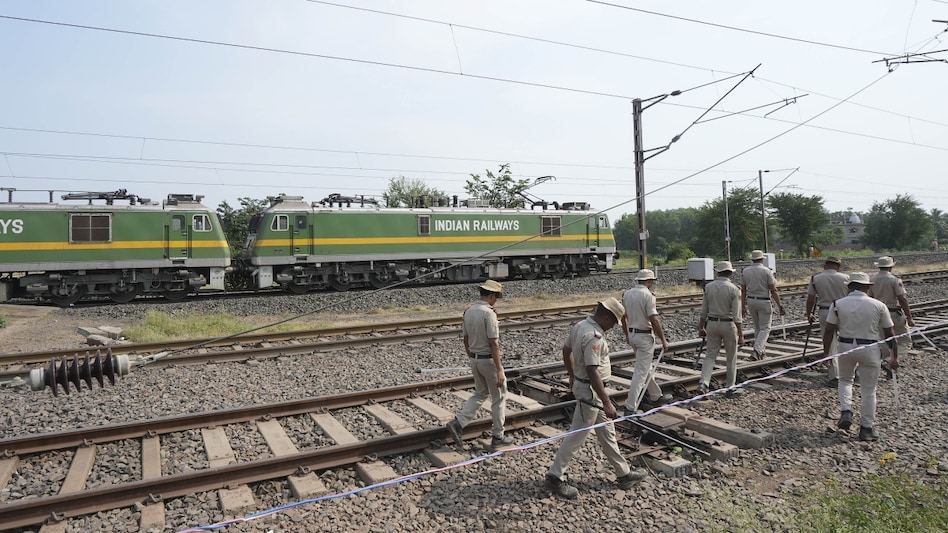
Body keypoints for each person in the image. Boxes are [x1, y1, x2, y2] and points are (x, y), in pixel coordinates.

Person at [544, 297, 647, 499]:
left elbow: (566, 351)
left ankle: (623, 474)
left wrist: (572, 375)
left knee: (607, 432)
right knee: (577, 435)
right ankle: (554, 477)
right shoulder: (594, 337)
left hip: (587, 388)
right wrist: (607, 402)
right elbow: (592, 370)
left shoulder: (580, 325)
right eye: (614, 323)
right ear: (607, 318)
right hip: (591, 392)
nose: (613, 327)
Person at [823, 272, 897, 441]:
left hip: (845, 346)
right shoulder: (879, 305)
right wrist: (894, 357)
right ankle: (866, 428)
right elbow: (889, 334)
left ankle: (846, 411)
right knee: (869, 390)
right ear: (868, 287)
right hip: (870, 347)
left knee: (845, 380)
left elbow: (829, 331)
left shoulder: (837, 304)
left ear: (849, 286)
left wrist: (826, 353)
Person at [445, 280, 513, 450]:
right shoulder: (489, 314)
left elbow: (465, 339)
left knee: (480, 393)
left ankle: (458, 423)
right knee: (499, 397)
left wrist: (471, 357)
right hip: (488, 360)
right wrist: (499, 370)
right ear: (491, 296)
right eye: (495, 298)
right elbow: (493, 343)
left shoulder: (468, 312)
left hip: (475, 359)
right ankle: (498, 436)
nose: (495, 301)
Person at [620, 269, 672, 412]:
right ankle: (630, 406)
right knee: (641, 372)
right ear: (649, 282)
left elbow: (622, 317)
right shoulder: (648, 296)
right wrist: (663, 340)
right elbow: (654, 319)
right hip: (644, 336)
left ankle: (656, 395)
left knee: (645, 367)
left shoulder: (627, 294)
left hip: (633, 335)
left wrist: (627, 334)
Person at [697, 261, 744, 396]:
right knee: (731, 356)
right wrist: (741, 333)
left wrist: (701, 327)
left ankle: (703, 382)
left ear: (717, 272)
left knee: (710, 355)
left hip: (711, 323)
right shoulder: (734, 289)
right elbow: (737, 315)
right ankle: (730, 386)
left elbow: (703, 311)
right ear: (730, 273)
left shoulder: (709, 287)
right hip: (728, 324)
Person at [805, 256, 850, 387]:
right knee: (848, 339)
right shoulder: (846, 278)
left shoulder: (815, 278)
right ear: (839, 266)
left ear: (825, 265)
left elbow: (810, 299)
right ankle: (853, 370)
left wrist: (809, 313)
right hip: (844, 310)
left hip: (825, 310)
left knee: (829, 342)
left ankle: (834, 375)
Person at [741, 250, 785, 360]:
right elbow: (773, 290)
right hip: (764, 301)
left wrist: (742, 306)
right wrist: (779, 305)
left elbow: (743, 290)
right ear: (762, 259)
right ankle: (757, 350)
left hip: (751, 301)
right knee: (765, 328)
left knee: (757, 328)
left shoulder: (745, 271)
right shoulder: (766, 271)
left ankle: (761, 352)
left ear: (752, 259)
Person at [869, 256, 915, 359]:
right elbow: (902, 298)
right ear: (890, 267)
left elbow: (870, 297)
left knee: (884, 339)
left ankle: (886, 358)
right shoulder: (894, 279)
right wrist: (909, 317)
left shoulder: (872, 279)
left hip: (878, 312)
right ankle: (894, 359)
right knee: (904, 340)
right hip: (893, 311)